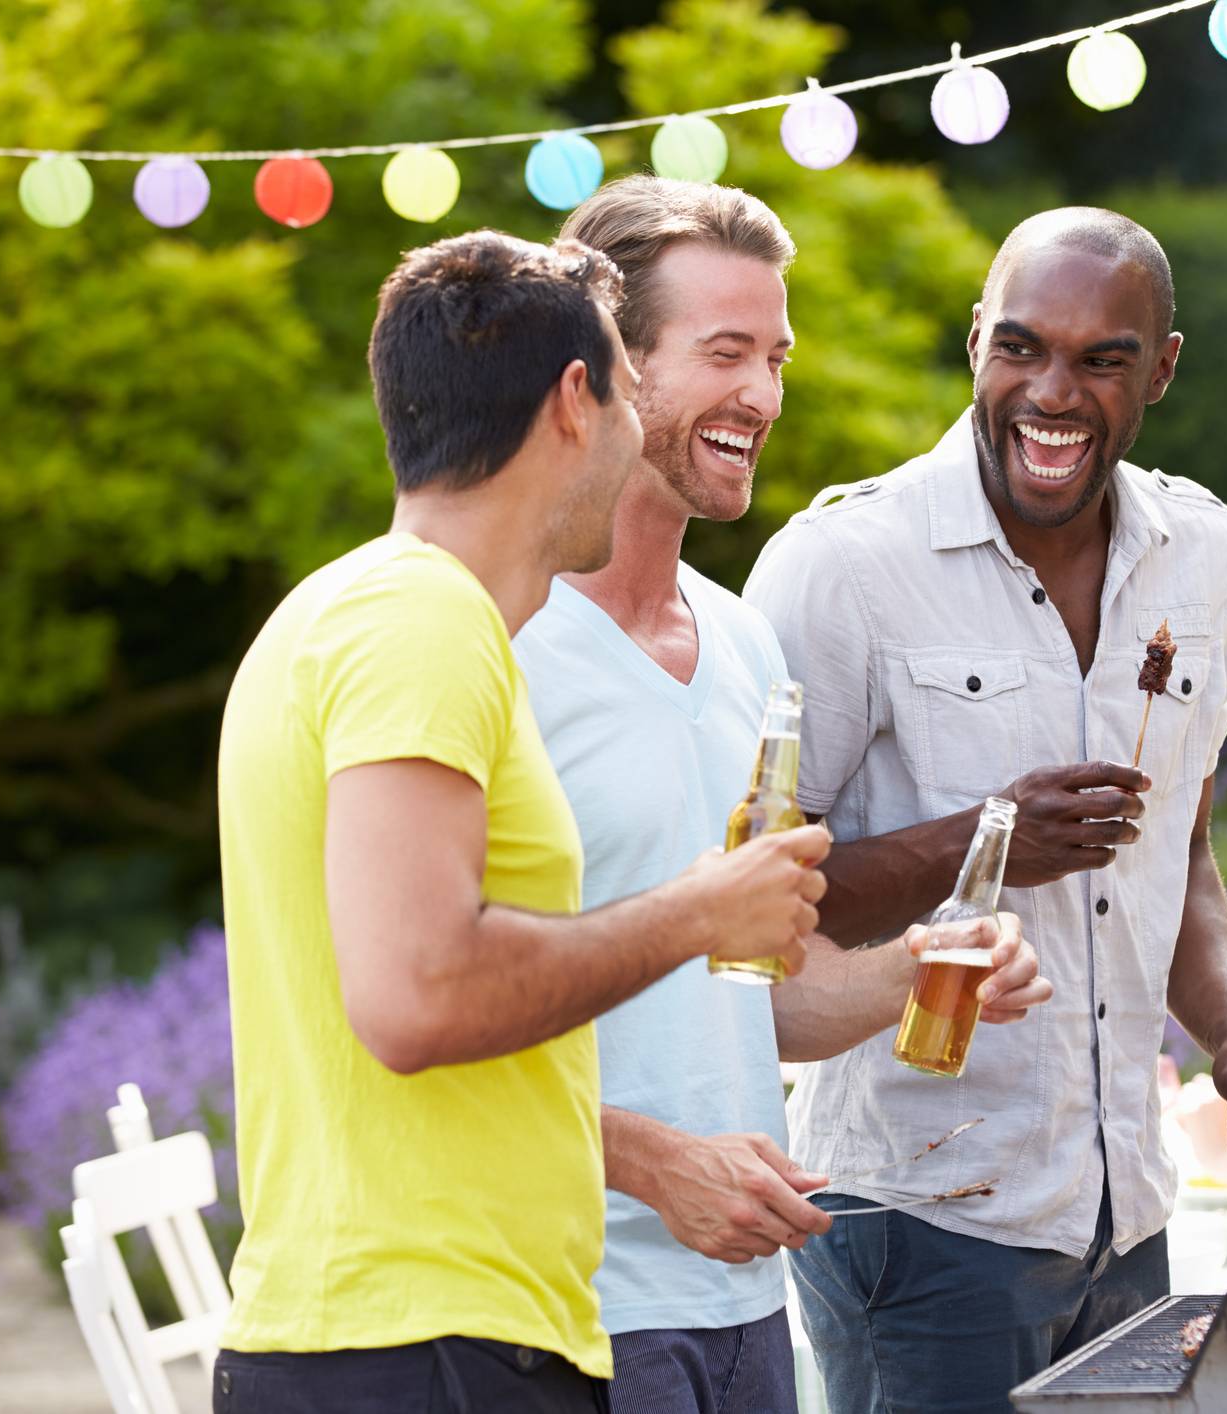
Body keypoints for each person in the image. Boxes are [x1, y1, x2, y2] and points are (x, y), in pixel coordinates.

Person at [744, 207, 1227, 1413]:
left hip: (1126, 1213)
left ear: (1163, 368)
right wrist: (987, 840)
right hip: (919, 1220)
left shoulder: (1204, 555)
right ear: (976, 343)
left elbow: (1178, 849)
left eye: (1100, 360)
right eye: (1020, 348)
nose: (1050, 392)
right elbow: (749, 902)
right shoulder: (845, 564)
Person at [213, 231, 830, 1413]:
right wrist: (699, 911)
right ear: (572, 404)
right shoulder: (421, 621)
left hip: (425, 1337)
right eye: (633, 393)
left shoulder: (358, 609)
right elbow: (420, 994)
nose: (641, 433)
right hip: (419, 1345)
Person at [515, 177, 1053, 1413]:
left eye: (775, 356)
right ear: (605, 365)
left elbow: (766, 997)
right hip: (569, 1312)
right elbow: (429, 1007)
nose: (761, 395)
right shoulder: (501, 642)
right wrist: (652, 1166)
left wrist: (922, 965)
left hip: (748, 1311)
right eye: (723, 353)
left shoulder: (749, 644)